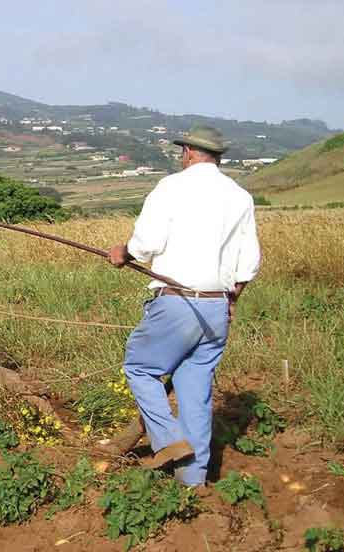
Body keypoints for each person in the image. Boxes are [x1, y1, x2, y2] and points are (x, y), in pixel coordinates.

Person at [107, 125, 261, 487]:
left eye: (183, 151)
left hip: (177, 303)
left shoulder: (171, 187)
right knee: (195, 392)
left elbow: (146, 242)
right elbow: (249, 262)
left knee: (140, 368)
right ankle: (193, 483)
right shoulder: (240, 196)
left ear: (189, 152)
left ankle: (168, 441)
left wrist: (122, 253)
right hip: (216, 309)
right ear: (216, 156)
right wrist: (231, 299)